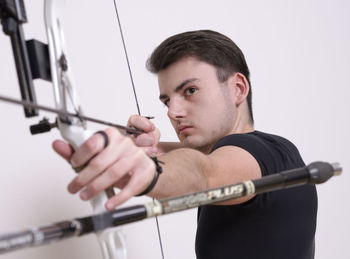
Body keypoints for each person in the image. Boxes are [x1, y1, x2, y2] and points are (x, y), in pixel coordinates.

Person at [53, 30, 317, 259]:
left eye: (190, 91)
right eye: (167, 100)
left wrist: (148, 171)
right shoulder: (277, 153)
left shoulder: (261, 152)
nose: (173, 112)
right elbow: (193, 157)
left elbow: (203, 171)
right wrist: (135, 152)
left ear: (237, 88)